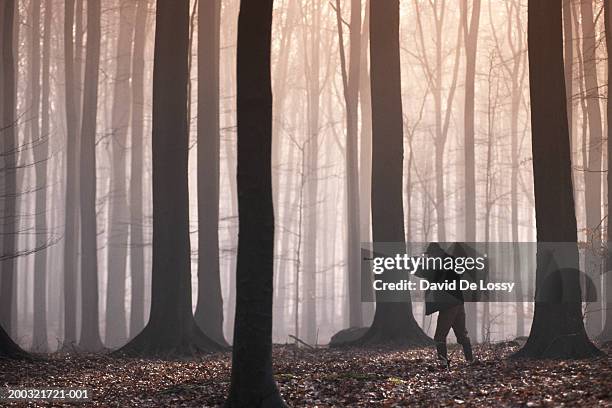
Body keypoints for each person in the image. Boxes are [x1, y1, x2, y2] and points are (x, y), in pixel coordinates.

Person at [418, 242, 474, 367]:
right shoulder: (448, 261)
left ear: (436, 254)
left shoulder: (443, 263)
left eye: (430, 255)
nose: (429, 257)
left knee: (439, 337)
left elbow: (431, 275)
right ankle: (470, 360)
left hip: (449, 305)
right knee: (461, 335)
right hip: (457, 302)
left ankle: (443, 363)